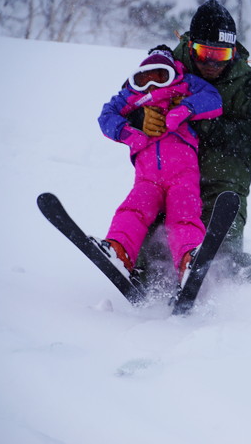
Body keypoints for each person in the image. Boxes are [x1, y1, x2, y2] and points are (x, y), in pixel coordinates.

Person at [136, 0, 251, 281]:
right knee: (150, 236)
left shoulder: (250, 87)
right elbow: (129, 100)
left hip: (223, 181)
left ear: (233, 52)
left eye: (220, 55)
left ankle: (238, 284)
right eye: (203, 52)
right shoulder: (167, 70)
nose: (210, 63)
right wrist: (142, 119)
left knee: (219, 247)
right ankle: (138, 273)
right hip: (171, 176)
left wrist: (197, 121)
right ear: (189, 45)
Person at [96, 45, 224, 282]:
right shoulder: (134, 97)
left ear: (173, 73)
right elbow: (106, 116)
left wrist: (185, 109)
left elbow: (214, 100)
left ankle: (188, 260)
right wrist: (129, 133)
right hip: (147, 179)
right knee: (132, 210)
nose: (153, 85)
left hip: (183, 174)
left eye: (161, 76)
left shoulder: (185, 86)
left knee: (184, 215)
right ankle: (119, 251)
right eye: (145, 79)